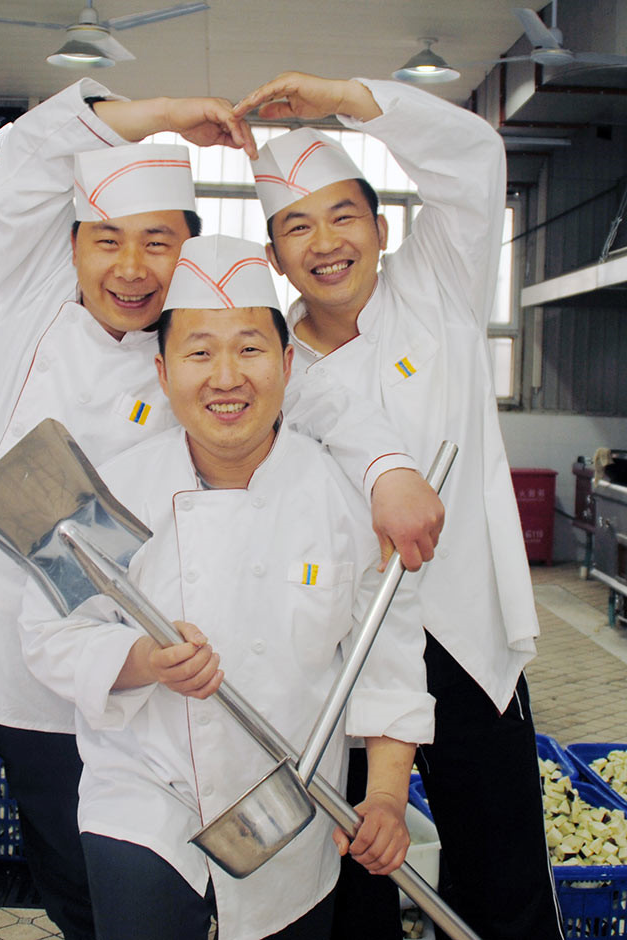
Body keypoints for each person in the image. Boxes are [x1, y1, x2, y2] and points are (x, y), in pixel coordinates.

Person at [0, 78, 441, 939]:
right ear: (72, 248)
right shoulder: (35, 303)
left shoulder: (191, 355)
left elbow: (324, 400)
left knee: (82, 888)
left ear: (185, 256)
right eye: (107, 240)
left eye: (158, 243)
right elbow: (25, 158)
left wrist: (389, 472)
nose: (130, 268)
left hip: (77, 661)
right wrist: (161, 116)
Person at [16, 234, 435, 940]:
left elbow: (386, 662)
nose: (226, 377)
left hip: (290, 800)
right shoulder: (113, 492)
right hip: (144, 789)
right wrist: (144, 661)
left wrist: (389, 798)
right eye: (200, 353)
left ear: (287, 363)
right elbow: (49, 632)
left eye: (249, 349)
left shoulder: (344, 504)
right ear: (162, 370)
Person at [236, 71, 564, 940]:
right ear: (274, 255)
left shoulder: (439, 289)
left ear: (381, 230)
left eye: (343, 216)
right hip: (342, 655)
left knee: (503, 878)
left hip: (466, 639)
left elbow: (474, 155)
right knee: (354, 885)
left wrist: (346, 97)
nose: (325, 243)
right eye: (297, 227)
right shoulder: (274, 367)